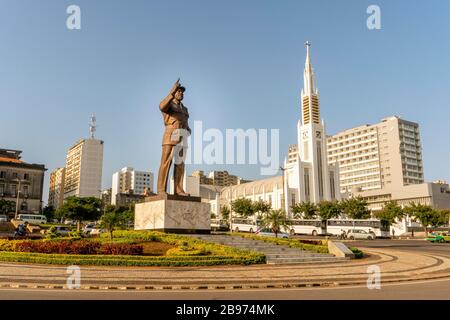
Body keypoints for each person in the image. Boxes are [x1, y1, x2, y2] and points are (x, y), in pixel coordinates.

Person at [157, 79, 191, 196]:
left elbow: (185, 121)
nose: (181, 93)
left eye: (182, 92)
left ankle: (178, 189)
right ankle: (161, 189)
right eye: (179, 91)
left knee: (180, 164)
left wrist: (188, 128)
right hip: (170, 136)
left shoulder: (185, 109)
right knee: (166, 162)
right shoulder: (169, 105)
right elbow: (161, 106)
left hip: (182, 137)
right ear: (174, 92)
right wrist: (171, 93)